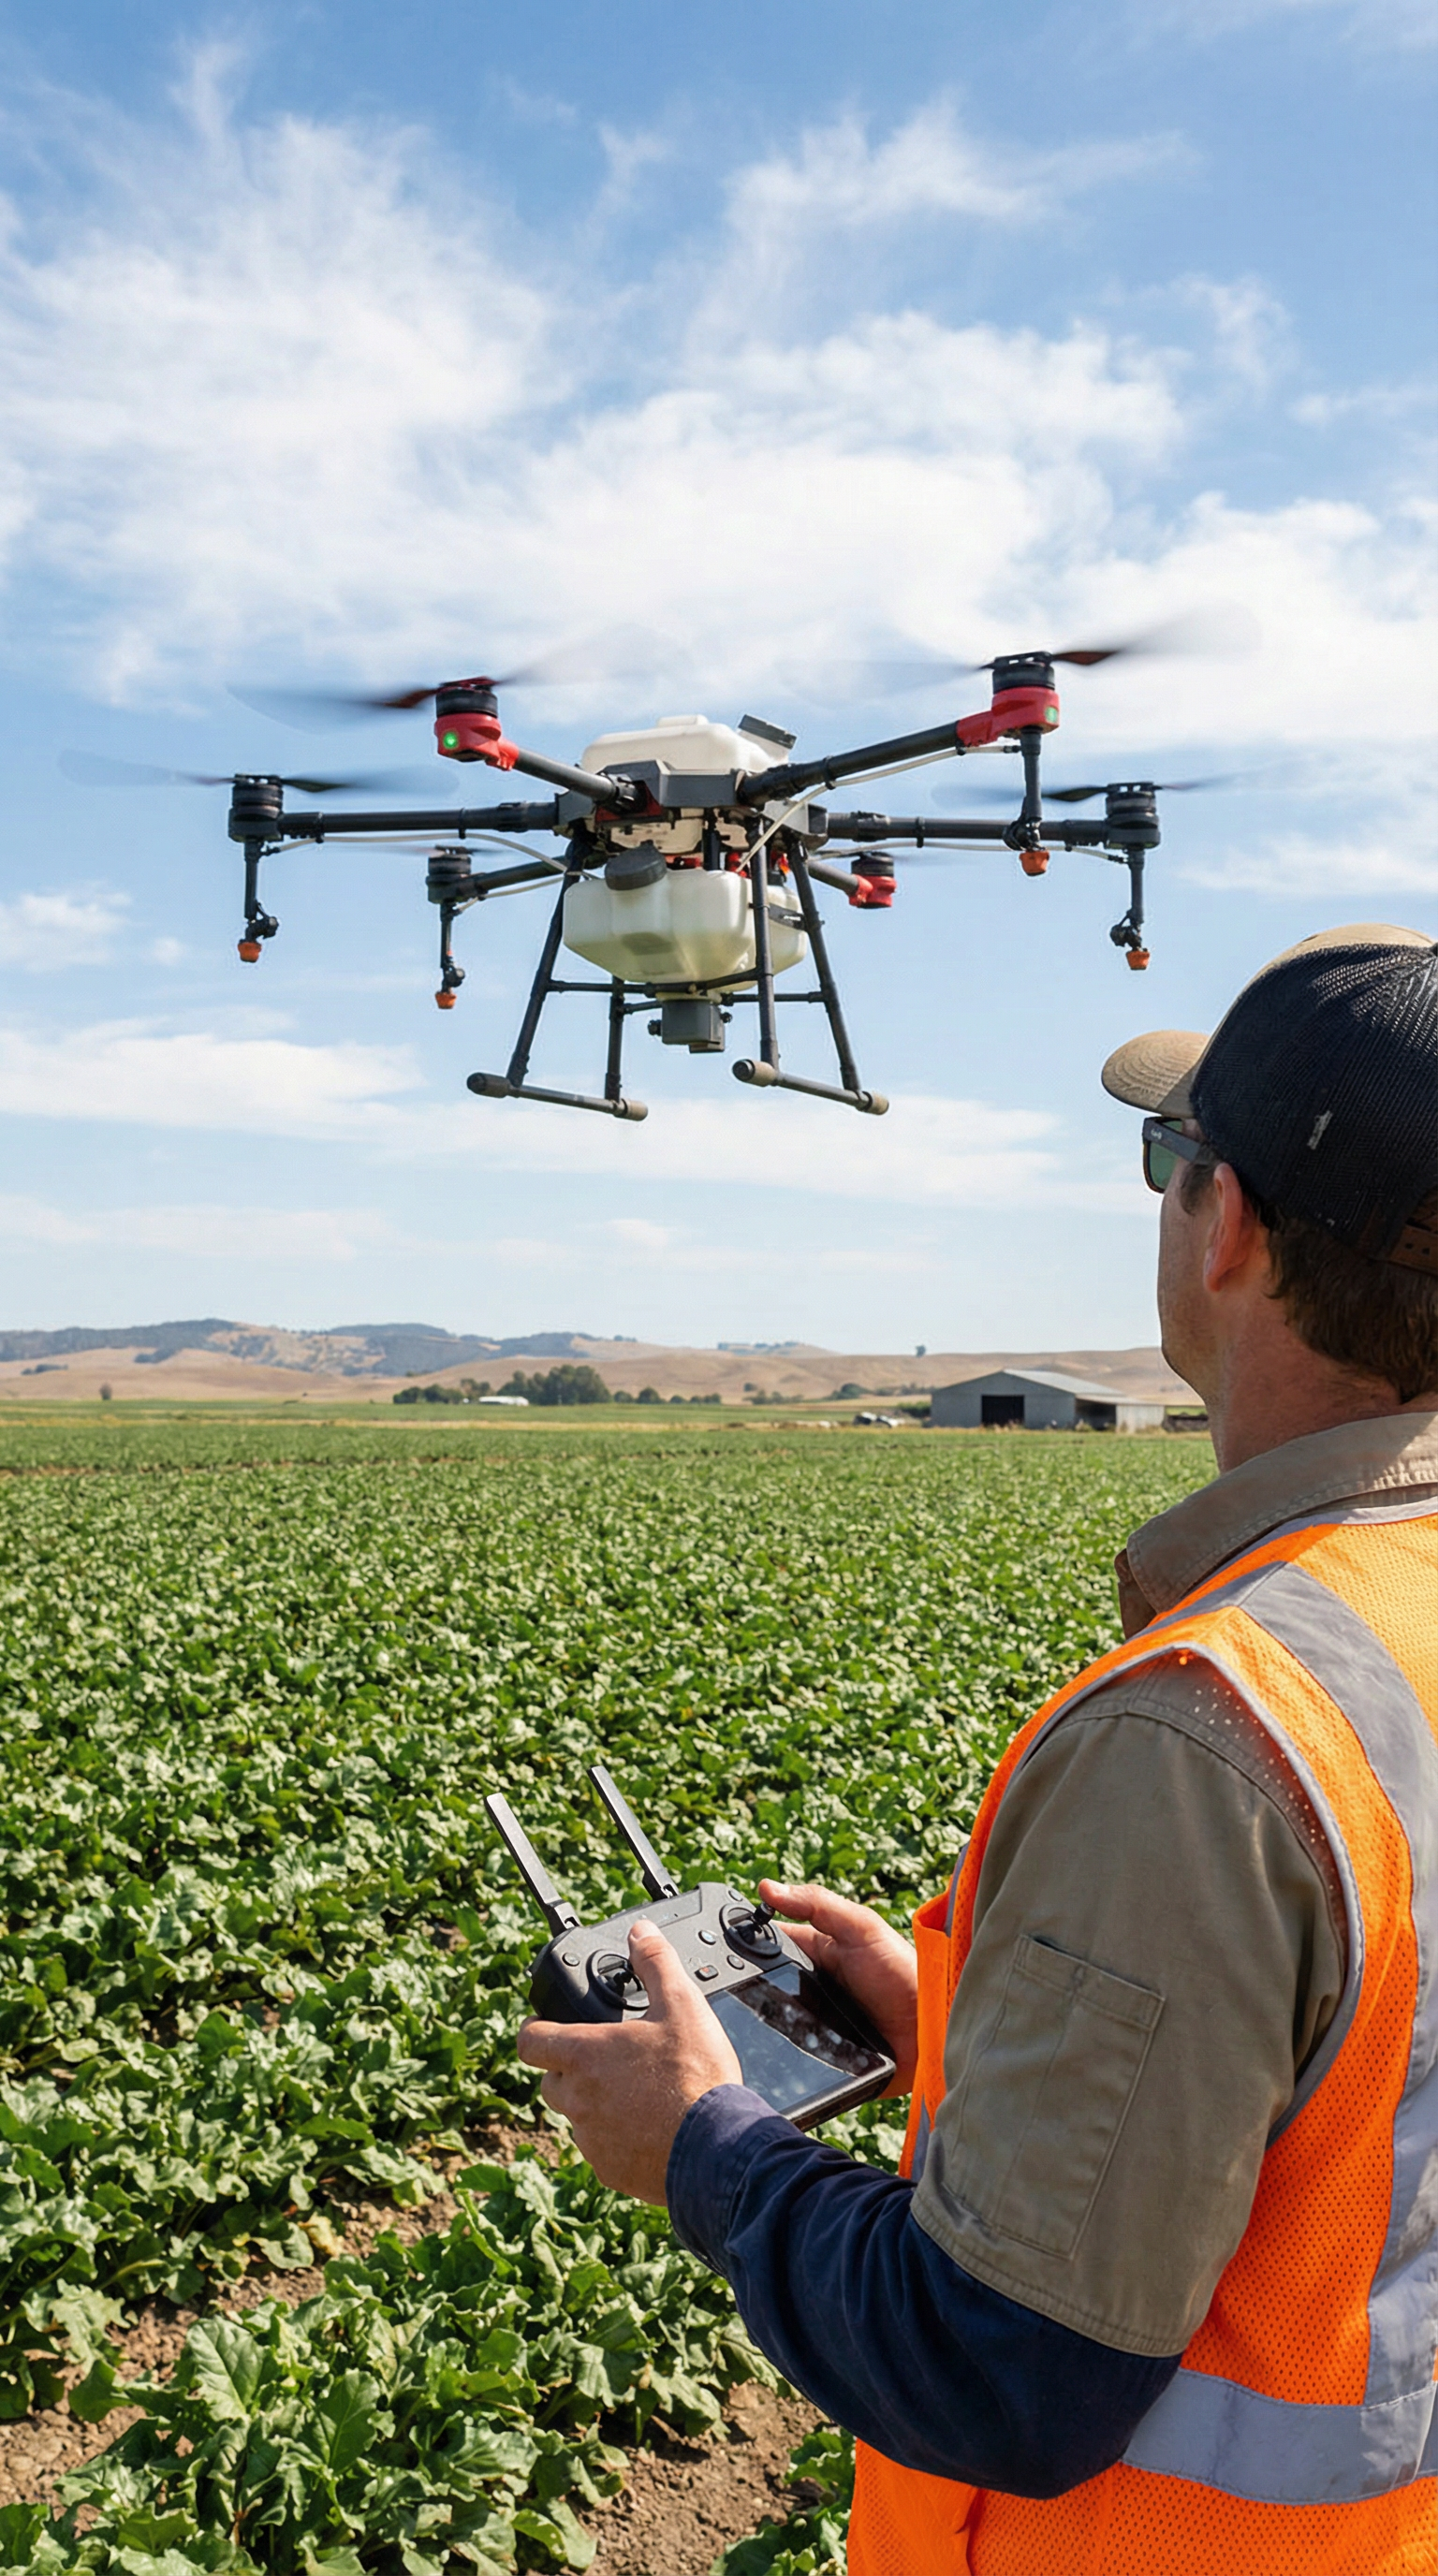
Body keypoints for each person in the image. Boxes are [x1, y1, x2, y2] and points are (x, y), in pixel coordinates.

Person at [519, 924, 1438, 2575]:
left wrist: (706, 2152)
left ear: (1223, 1222)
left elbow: (1004, 2369)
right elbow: (1370, 2072)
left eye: (1175, 1155)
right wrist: (959, 2013)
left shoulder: (1215, 1733)